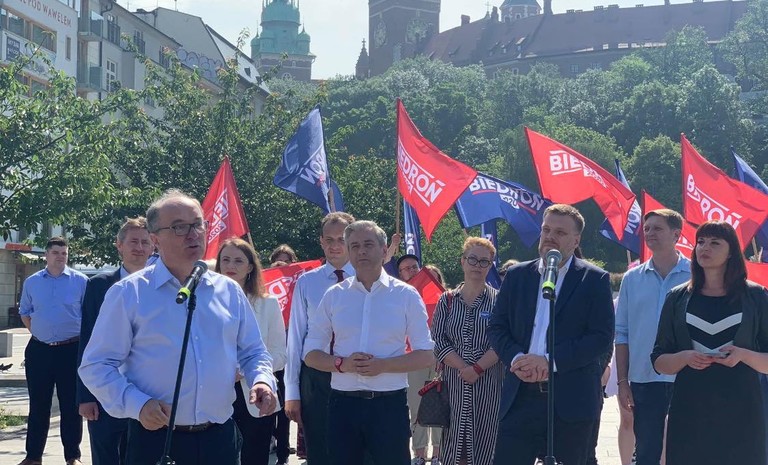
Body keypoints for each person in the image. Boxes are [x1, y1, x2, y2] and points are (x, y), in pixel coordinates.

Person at [79, 189, 277, 465]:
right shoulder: (129, 294)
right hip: (156, 440)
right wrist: (138, 404)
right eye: (179, 227)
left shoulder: (229, 291)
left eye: (198, 224)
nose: (193, 234)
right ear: (154, 239)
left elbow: (254, 351)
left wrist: (262, 380)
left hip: (219, 439)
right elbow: (96, 366)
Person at [488, 204, 614, 465]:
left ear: (575, 240)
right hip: (520, 397)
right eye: (546, 230)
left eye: (560, 232)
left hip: (571, 401)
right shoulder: (517, 275)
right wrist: (517, 359)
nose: (550, 237)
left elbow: (600, 338)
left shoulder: (594, 279)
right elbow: (497, 327)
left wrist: (549, 361)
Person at [303, 220, 435, 465]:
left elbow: (426, 355)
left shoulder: (405, 295)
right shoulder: (334, 296)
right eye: (354, 246)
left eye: (368, 244)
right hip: (343, 404)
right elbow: (310, 353)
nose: (361, 251)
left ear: (384, 250)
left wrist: (383, 366)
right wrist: (342, 364)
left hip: (388, 405)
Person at [651, 221, 768, 465]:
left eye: (715, 243)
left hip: (742, 407)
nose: (705, 248)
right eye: (701, 242)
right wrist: (684, 357)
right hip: (690, 406)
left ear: (731, 252)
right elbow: (659, 361)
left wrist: (743, 355)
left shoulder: (756, 296)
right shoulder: (677, 297)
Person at [615, 209, 690, 465]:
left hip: (688, 376)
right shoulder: (632, 279)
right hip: (644, 379)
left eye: (657, 228)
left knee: (686, 449)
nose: (649, 233)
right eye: (646, 229)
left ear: (676, 234)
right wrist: (622, 381)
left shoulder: (697, 274)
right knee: (646, 451)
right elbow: (622, 333)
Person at [77, 217, 153, 465]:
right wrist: (85, 396)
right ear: (119, 245)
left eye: (145, 242)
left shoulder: (163, 287)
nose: (139, 247)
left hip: (147, 393)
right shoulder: (99, 285)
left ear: (153, 246)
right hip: (105, 391)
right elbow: (87, 340)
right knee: (105, 456)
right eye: (133, 241)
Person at [284, 212, 356, 465]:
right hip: (316, 379)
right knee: (321, 453)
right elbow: (295, 339)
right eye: (329, 240)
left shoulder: (368, 279)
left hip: (357, 375)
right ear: (321, 242)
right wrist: (292, 391)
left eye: (341, 239)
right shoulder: (307, 282)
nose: (335, 246)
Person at [431, 237, 503, 465]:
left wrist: (478, 368)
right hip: (454, 383)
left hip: (488, 384)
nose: (477, 266)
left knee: (486, 445)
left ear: (490, 266)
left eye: (484, 262)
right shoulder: (447, 300)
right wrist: (464, 368)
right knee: (455, 447)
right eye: (472, 259)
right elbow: (438, 340)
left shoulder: (500, 301)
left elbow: (502, 342)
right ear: (462, 261)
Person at [216, 238, 287, 465]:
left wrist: (248, 370)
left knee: (255, 458)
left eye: (238, 261)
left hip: (256, 396)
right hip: (215, 394)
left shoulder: (268, 304)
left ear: (250, 267)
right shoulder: (204, 303)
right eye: (225, 260)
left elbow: (280, 354)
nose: (231, 266)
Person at [18, 236, 88, 465]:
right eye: (56, 252)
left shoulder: (81, 281)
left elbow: (88, 315)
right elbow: (25, 312)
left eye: (64, 253)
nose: (60, 257)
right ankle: (33, 456)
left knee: (71, 405)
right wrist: (41, 333)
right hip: (40, 350)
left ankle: (72, 456)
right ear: (46, 255)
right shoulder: (32, 282)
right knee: (38, 405)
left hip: (71, 349)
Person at [396, 255, 442, 465]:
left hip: (440, 358)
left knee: (440, 405)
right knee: (417, 407)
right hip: (413, 358)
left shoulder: (441, 296)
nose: (412, 271)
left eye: (414, 267)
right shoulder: (397, 297)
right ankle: (420, 454)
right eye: (406, 268)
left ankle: (439, 454)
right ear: (400, 274)